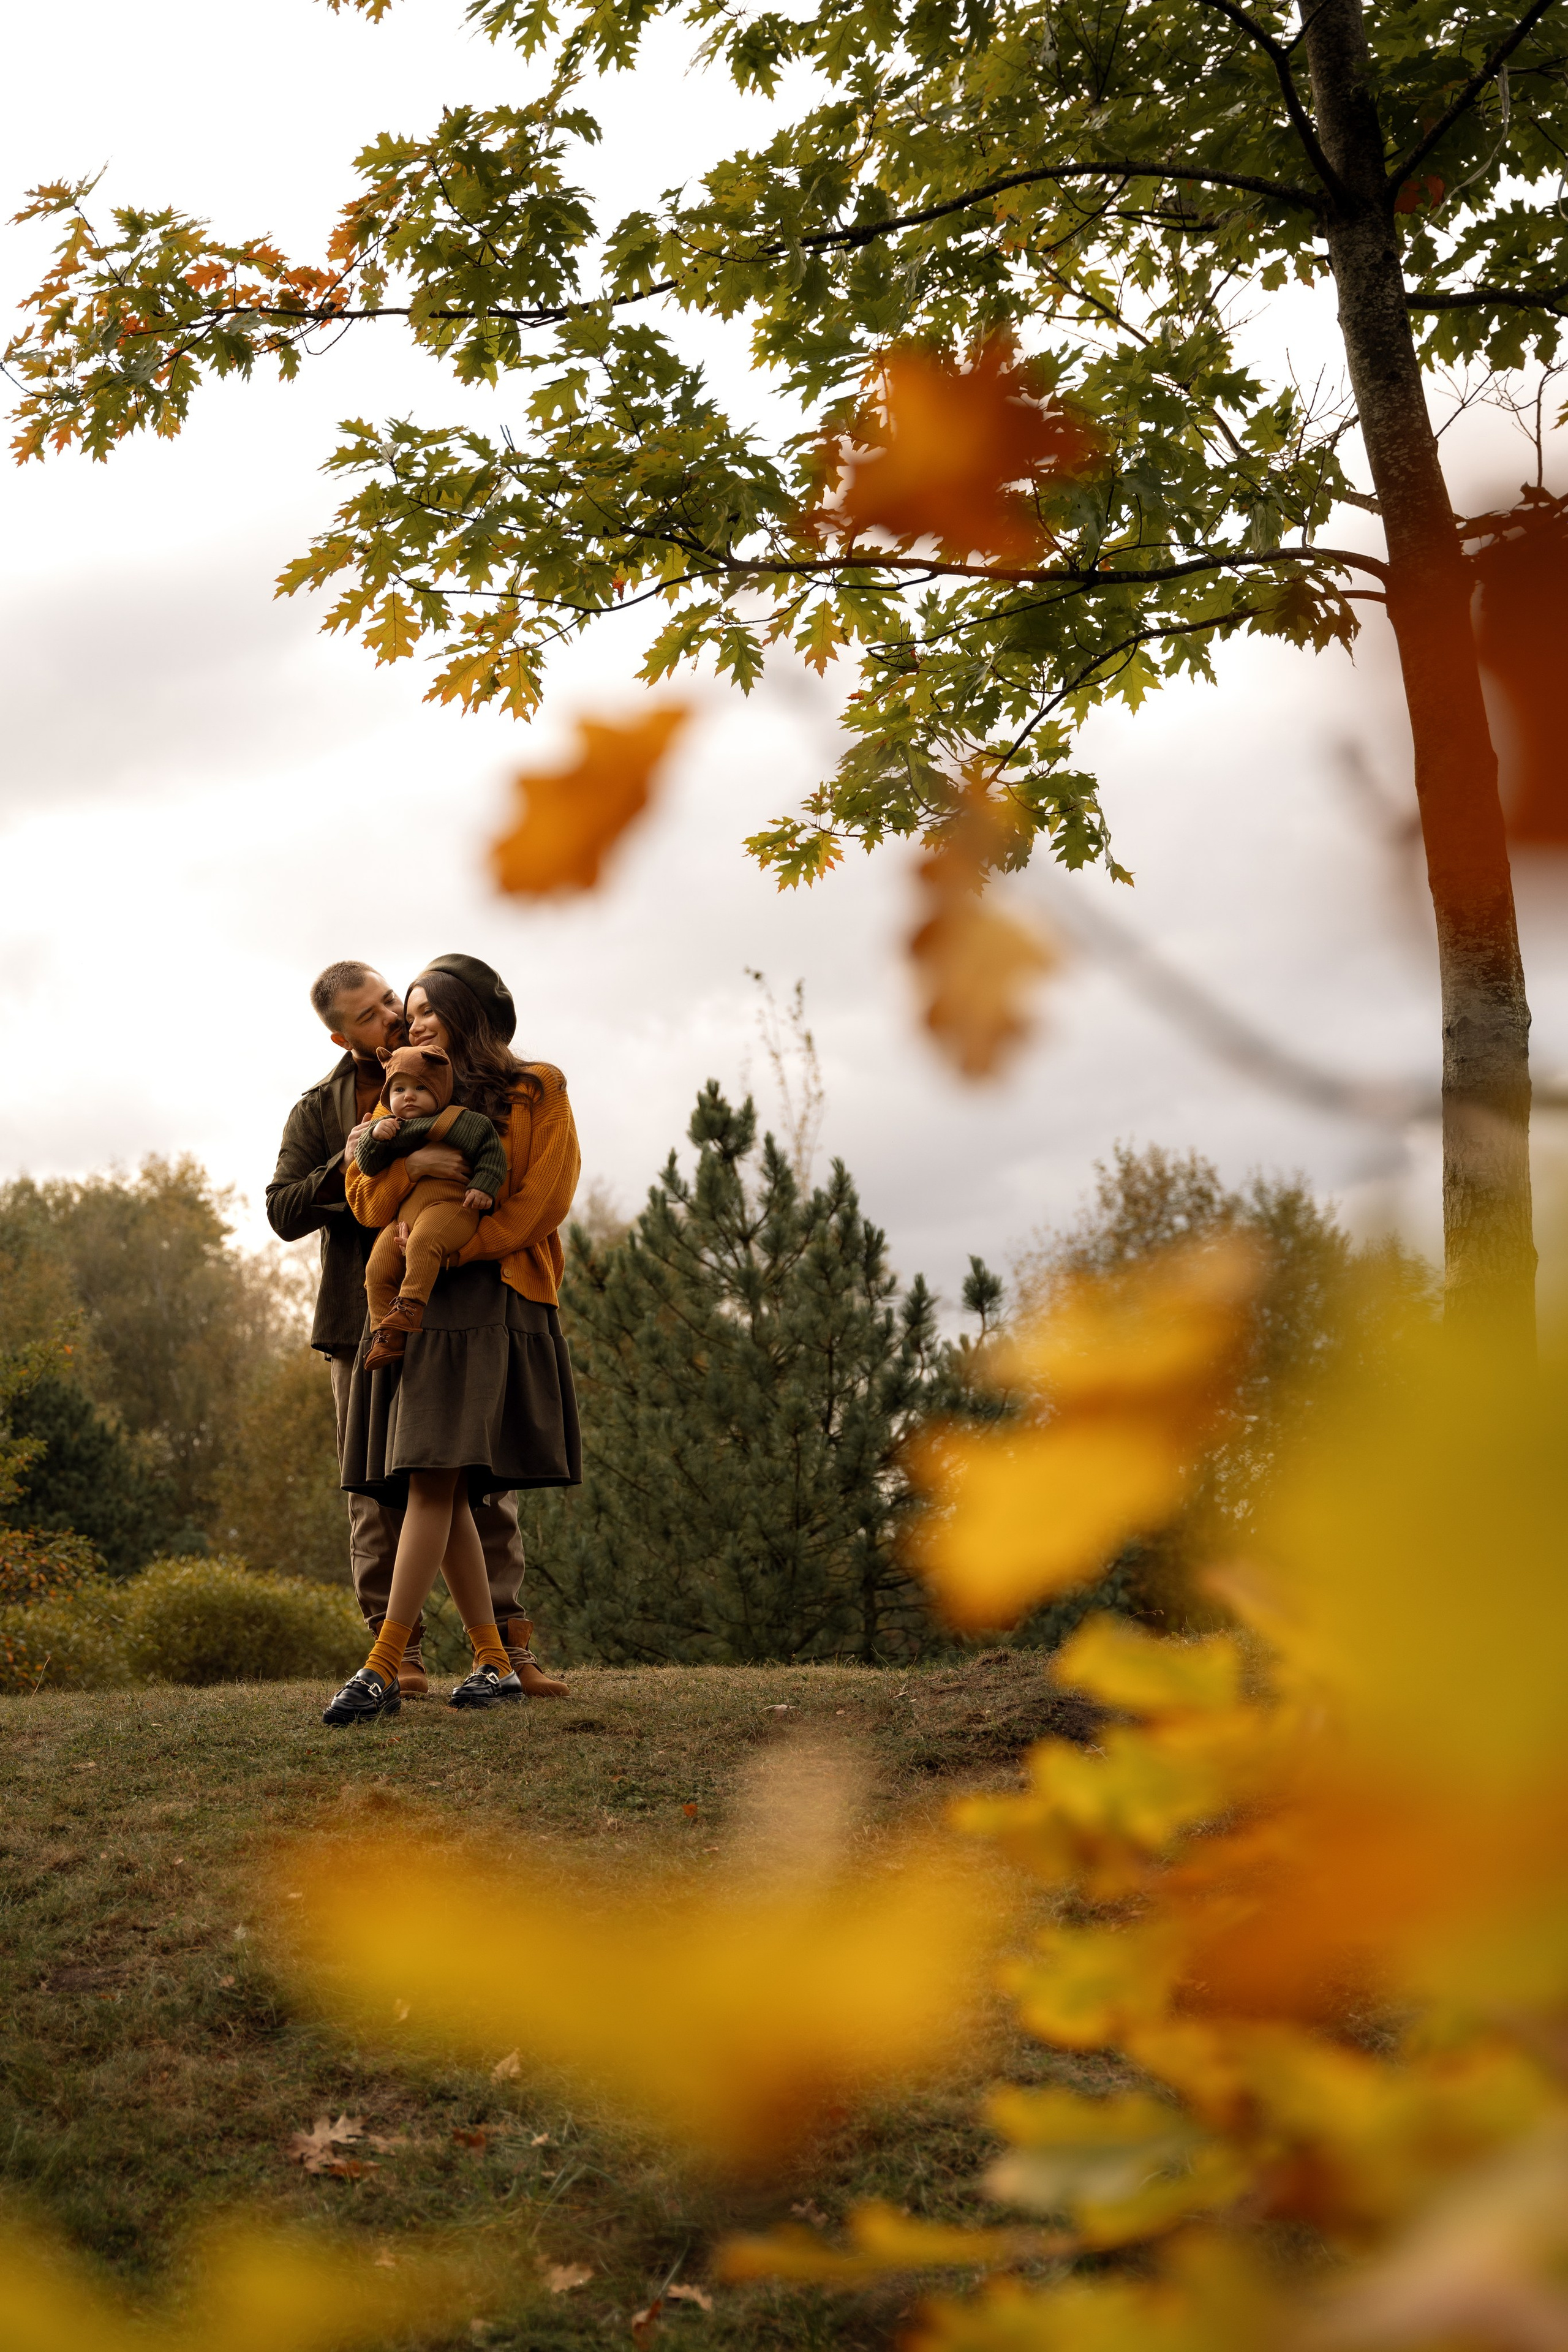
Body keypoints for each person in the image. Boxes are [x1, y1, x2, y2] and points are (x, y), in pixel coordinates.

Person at [266, 958, 567, 1698]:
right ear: (342, 1038)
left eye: (401, 1001)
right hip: (364, 1314)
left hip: (470, 1301)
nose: (398, 1018)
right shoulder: (332, 1106)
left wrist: (446, 1240)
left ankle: (501, 1650)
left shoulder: (482, 1086)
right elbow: (319, 1205)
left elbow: (528, 1193)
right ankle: (399, 1653)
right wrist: (399, 1154)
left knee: (469, 1490)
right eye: (375, 1015)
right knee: (385, 1490)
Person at [357, 1044, 508, 1370]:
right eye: (399, 1089)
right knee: (376, 1269)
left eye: (420, 1088)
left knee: (425, 1242)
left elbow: (491, 1150)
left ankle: (410, 1305)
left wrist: (484, 1185)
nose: (408, 1096)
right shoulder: (391, 1129)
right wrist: (375, 1138)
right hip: (402, 1220)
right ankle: (386, 1334)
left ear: (440, 1090)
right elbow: (367, 1167)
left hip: (453, 1206)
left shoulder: (459, 1121)